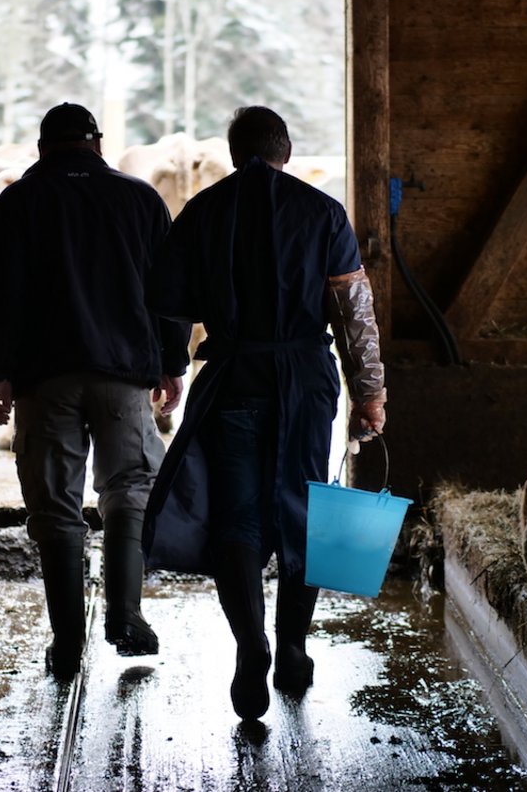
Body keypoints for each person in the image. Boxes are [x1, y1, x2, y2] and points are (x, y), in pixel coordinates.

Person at [143, 105, 386, 721]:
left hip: (231, 377)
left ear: (232, 153)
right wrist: (370, 391)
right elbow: (353, 311)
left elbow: (168, 304)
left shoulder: (203, 211)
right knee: (306, 512)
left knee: (239, 518)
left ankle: (250, 644)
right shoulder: (323, 212)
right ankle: (294, 650)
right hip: (305, 382)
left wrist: (172, 365)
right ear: (286, 149)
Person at [0, 102, 190, 679]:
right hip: (123, 374)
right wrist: (173, 362)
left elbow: (1, 294)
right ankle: (126, 616)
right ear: (97, 143)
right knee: (130, 488)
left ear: (44, 147)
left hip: (45, 379)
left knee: (55, 508)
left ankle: (68, 642)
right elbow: (167, 290)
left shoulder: (18, 201)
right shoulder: (140, 199)